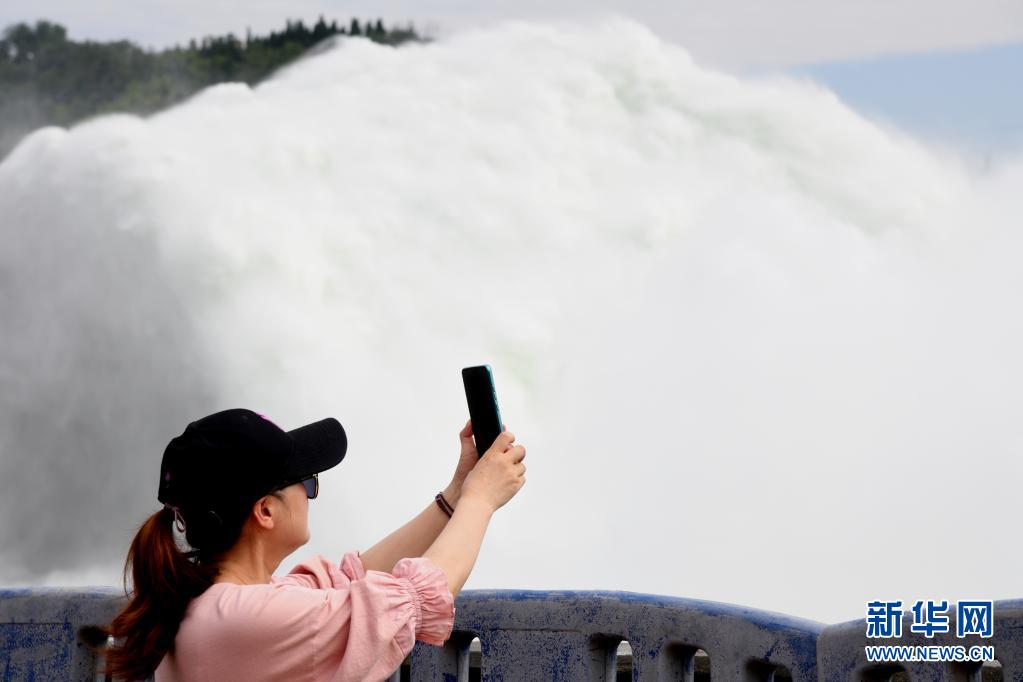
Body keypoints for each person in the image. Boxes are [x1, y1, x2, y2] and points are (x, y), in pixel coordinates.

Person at [91, 407, 527, 681]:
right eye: (306, 481)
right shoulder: (243, 619)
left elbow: (352, 578)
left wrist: (456, 494)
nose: (311, 491)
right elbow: (410, 599)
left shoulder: (212, 604)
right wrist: (481, 499)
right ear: (265, 511)